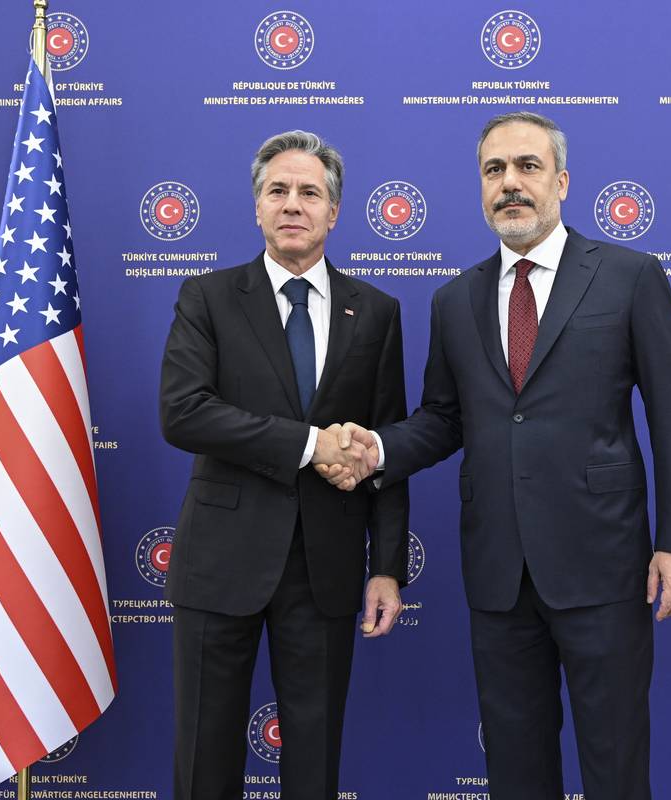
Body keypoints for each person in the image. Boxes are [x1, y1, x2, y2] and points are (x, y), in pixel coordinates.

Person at [322, 111, 671, 800]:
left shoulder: (629, 276)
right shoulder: (454, 299)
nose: (511, 184)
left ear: (561, 180)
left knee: (615, 762)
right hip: (499, 572)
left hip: (604, 563)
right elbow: (443, 420)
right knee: (515, 767)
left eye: (527, 166)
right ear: (480, 189)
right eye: (494, 171)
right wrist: (376, 447)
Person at [159, 130, 409, 800]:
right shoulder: (207, 296)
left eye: (309, 192)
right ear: (257, 208)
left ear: (334, 212)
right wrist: (309, 444)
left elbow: (386, 450)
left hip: (325, 568)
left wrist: (386, 564)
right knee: (203, 762)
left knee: (315, 761)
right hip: (219, 564)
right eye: (278, 191)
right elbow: (183, 412)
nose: (292, 204)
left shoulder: (377, 312)